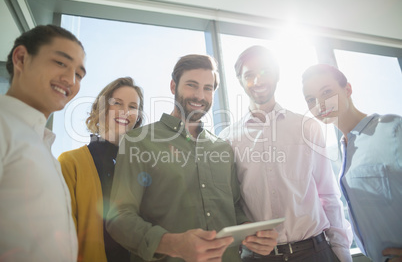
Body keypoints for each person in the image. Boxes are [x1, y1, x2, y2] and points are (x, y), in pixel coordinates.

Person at [106, 54, 278, 262]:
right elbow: (119, 218)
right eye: (191, 85)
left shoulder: (223, 148)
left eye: (208, 88)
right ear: (173, 86)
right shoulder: (138, 141)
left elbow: (233, 208)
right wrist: (173, 244)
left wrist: (250, 232)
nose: (199, 96)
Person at [219, 45, 353, 262]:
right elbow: (230, 202)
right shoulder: (227, 138)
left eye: (264, 72)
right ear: (240, 80)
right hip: (258, 257)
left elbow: (328, 195)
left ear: (277, 74)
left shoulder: (308, 127)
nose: (258, 81)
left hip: (315, 252)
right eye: (249, 75)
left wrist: (342, 253)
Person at [0, 25, 86, 261]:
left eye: (79, 74)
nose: (70, 80)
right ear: (21, 59)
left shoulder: (43, 146)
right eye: (60, 63)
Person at [302, 64, 402, 262]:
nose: (320, 103)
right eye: (311, 99)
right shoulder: (345, 147)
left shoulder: (393, 129)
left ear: (347, 89)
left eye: (326, 92)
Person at [58, 77, 144, 262]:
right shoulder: (70, 163)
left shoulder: (143, 168)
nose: (125, 112)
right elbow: (60, 237)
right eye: (117, 103)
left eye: (133, 107)